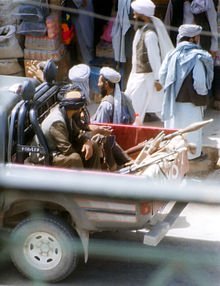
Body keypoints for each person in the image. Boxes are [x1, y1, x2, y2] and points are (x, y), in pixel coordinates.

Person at [159, 24, 214, 160]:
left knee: (175, 130)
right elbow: (200, 83)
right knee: (191, 131)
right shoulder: (197, 57)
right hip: (191, 103)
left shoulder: (171, 55)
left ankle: (174, 155)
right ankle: (192, 155)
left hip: (173, 102)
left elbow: (162, 76)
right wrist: (202, 96)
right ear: (192, 39)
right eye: (197, 37)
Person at [124, 0, 174, 123]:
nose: (134, 16)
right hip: (139, 77)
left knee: (137, 108)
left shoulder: (150, 34)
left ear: (144, 16)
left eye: (136, 14)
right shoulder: (140, 31)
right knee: (145, 108)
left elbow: (155, 59)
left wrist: (158, 80)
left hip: (147, 79)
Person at [33, 86, 101, 169]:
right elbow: (67, 150)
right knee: (75, 159)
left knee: (92, 145)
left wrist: (86, 141)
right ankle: (82, 181)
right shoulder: (57, 123)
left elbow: (77, 134)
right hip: (50, 155)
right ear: (77, 107)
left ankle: (94, 178)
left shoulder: (68, 113)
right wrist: (81, 153)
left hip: (60, 150)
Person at [92, 67, 133, 170]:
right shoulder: (126, 98)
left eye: (99, 82)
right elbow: (132, 119)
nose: (98, 85)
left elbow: (101, 130)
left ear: (106, 84)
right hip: (126, 137)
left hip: (110, 143)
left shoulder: (106, 105)